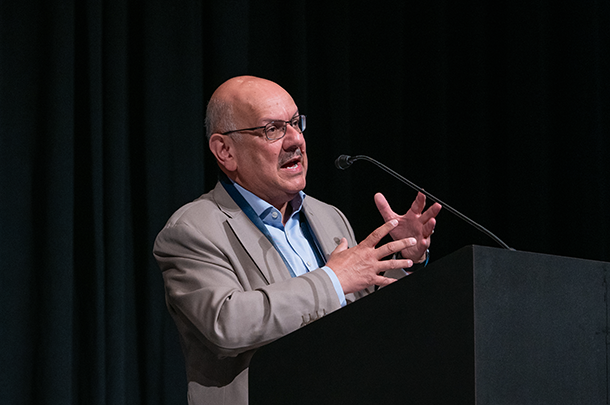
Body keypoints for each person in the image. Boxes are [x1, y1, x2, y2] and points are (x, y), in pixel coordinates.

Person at [153, 75, 442, 405]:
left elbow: (364, 312)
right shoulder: (193, 229)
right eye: (272, 129)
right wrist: (332, 279)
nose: (295, 141)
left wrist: (406, 261)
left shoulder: (328, 217)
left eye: (295, 123)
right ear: (225, 151)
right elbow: (226, 324)